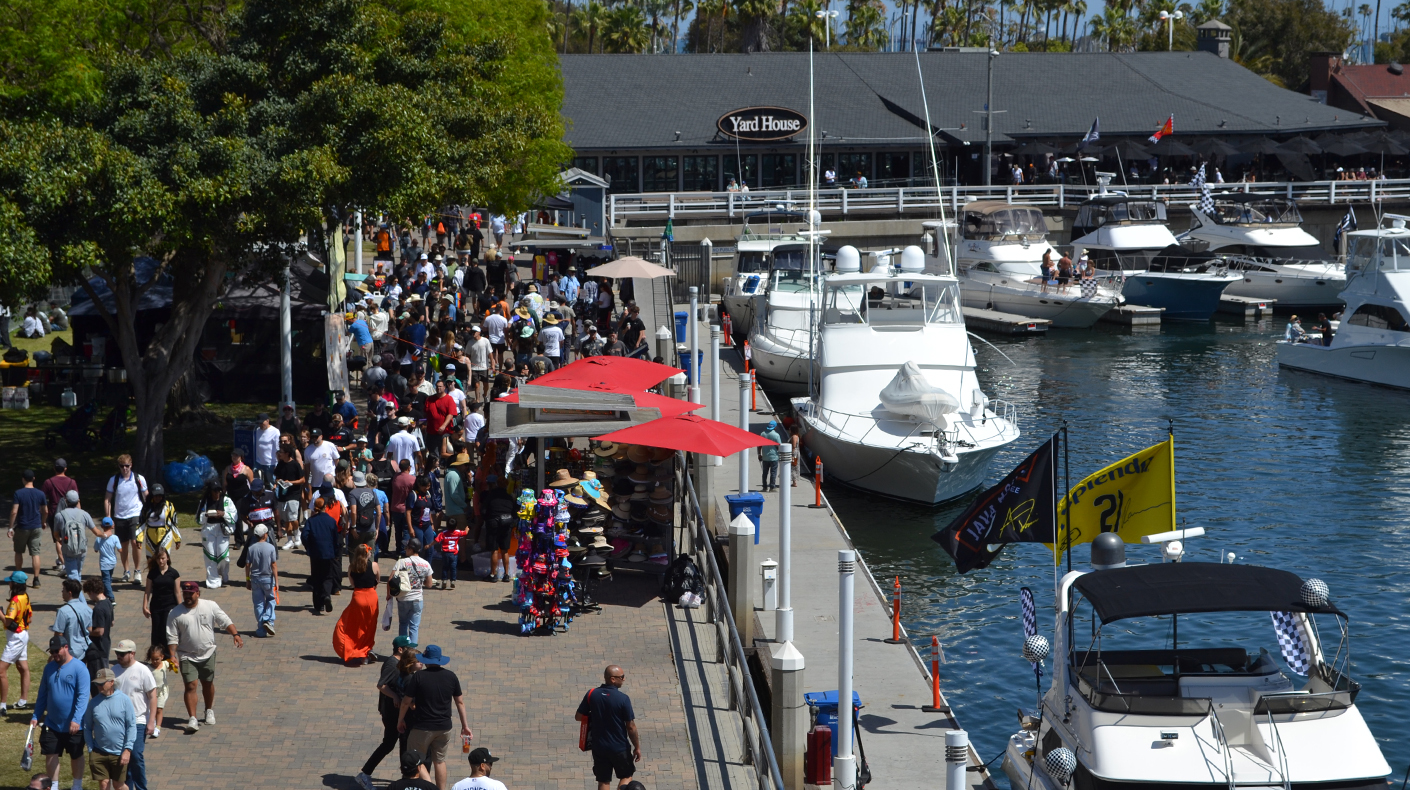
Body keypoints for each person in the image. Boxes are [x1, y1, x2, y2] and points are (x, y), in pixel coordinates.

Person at [165, 581, 243, 733]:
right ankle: (192, 718)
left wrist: (235, 634)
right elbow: (172, 637)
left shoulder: (210, 606)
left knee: (207, 683)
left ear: (198, 593)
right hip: (187, 655)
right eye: (185, 593)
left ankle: (208, 710)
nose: (187, 596)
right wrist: (173, 655)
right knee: (190, 685)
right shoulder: (175, 613)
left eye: (190, 593)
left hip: (208, 653)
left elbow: (224, 620)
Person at [398, 644, 472, 790]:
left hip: (422, 727)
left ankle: (430, 787)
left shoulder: (419, 676)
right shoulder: (451, 676)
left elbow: (406, 701)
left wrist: (400, 720)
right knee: (440, 761)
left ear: (425, 660)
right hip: (444, 727)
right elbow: (460, 702)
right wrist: (465, 726)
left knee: (416, 759)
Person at [356, 635, 420, 790]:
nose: (410, 650)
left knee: (401, 743)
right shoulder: (392, 664)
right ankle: (365, 774)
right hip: (391, 713)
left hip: (397, 713)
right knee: (389, 743)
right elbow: (381, 685)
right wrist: (395, 696)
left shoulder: (399, 664)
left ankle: (404, 776)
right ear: (400, 649)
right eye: (408, 647)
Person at [31, 633, 90, 790]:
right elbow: (42, 694)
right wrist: (36, 715)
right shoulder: (49, 668)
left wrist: (77, 719)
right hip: (52, 722)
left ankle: (77, 786)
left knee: (76, 754)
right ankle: (54, 786)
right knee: (51, 754)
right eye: (52, 652)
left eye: (57, 651)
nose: (55, 654)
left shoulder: (80, 668)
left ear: (66, 648)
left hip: (74, 724)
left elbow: (83, 697)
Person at [575, 664, 641, 790]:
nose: (624, 679)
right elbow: (631, 726)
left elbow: (578, 717)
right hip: (619, 747)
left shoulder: (592, 694)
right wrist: (637, 747)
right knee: (626, 776)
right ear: (612, 679)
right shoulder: (623, 699)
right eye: (621, 677)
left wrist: (596, 714)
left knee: (603, 781)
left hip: (599, 747)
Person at [111, 640, 157, 790]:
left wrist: (151, 721)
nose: (119, 656)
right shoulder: (114, 671)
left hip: (138, 720)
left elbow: (153, 696)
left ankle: (141, 787)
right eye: (117, 653)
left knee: (136, 755)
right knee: (123, 759)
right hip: (118, 723)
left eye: (122, 654)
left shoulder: (142, 670)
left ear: (132, 654)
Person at [82, 667, 136, 790]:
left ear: (112, 682)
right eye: (97, 683)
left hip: (119, 752)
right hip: (98, 751)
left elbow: (131, 725)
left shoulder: (124, 700)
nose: (99, 686)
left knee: (118, 785)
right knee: (104, 783)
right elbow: (87, 727)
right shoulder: (93, 703)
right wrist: (90, 748)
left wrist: (127, 749)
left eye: (102, 683)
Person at [334, 544, 381, 666]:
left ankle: (355, 650)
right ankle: (365, 652)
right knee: (369, 626)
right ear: (367, 553)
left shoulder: (351, 567)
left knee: (355, 625)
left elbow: (352, 583)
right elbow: (378, 580)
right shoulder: (374, 565)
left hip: (358, 597)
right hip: (371, 597)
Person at [105, 456, 148, 586]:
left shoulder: (139, 479)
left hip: (136, 514)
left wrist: (149, 513)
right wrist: (108, 517)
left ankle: (137, 571)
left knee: (135, 543)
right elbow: (107, 499)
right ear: (119, 467)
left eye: (127, 466)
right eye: (122, 466)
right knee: (123, 546)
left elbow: (146, 496)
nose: (125, 468)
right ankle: (126, 571)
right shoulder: (114, 480)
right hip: (119, 517)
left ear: (131, 465)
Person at [0, 570, 32, 714]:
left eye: (10, 581)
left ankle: (2, 705)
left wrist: (0, 614)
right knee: (22, 667)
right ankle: (23, 701)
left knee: (1, 671)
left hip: (16, 637)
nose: (9, 583)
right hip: (23, 633)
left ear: (15, 584)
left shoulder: (15, 600)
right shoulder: (25, 596)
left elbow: (8, 620)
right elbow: (29, 618)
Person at [391, 539, 433, 644]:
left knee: (403, 624)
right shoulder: (426, 564)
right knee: (414, 627)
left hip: (403, 598)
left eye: (406, 547)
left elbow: (390, 579)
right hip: (417, 599)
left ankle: (401, 650)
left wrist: (389, 595)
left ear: (411, 549)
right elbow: (429, 584)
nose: (405, 549)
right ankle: (412, 652)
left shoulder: (401, 562)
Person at [9, 469, 47, 585]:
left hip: (22, 527)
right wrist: (43, 522)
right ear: (34, 479)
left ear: (23, 479)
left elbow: (14, 511)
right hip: (36, 526)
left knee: (19, 551)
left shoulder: (18, 493)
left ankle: (19, 577)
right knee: (35, 553)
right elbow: (45, 511)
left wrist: (11, 527)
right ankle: (36, 579)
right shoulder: (40, 494)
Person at [303, 497, 340, 616]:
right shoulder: (331, 521)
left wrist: (308, 547)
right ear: (325, 507)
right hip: (328, 553)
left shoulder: (311, 521)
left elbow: (304, 536)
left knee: (316, 577)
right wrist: (336, 552)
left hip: (315, 553)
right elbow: (336, 539)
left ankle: (318, 604)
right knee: (328, 577)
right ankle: (326, 595)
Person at [196, 482, 235, 588]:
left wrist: (224, 514)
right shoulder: (204, 501)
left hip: (222, 529)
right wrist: (206, 515)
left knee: (223, 555)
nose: (217, 493)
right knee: (210, 556)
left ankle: (223, 572)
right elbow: (199, 519)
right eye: (214, 490)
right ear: (210, 491)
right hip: (208, 530)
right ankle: (213, 579)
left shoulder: (227, 500)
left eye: (218, 490)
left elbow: (234, 515)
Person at [40, 460, 78, 573]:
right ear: (65, 469)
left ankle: (65, 564)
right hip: (70, 513)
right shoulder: (72, 482)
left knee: (58, 539)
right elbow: (77, 499)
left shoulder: (48, 482)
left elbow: (42, 499)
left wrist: (43, 516)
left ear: (54, 468)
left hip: (54, 513)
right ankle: (68, 561)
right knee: (69, 537)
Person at [140, 548, 180, 650]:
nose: (161, 561)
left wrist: (181, 608)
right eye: (159, 559)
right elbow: (147, 591)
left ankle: (167, 654)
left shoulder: (174, 573)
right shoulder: (152, 573)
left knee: (166, 629)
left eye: (163, 558)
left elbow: (177, 592)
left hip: (170, 605)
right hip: (156, 606)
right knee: (156, 630)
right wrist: (144, 606)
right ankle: (156, 653)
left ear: (168, 558)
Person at [243, 524, 278, 638]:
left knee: (258, 603)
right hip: (268, 578)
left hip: (255, 579)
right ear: (265, 535)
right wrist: (277, 581)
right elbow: (273, 565)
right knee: (271, 599)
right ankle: (268, 620)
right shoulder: (270, 547)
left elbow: (247, 565)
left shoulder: (251, 548)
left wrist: (247, 579)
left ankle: (260, 629)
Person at [138, 484, 180, 571]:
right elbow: (141, 523)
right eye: (156, 495)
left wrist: (177, 539)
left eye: (160, 495)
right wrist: (139, 539)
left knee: (163, 558)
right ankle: (152, 581)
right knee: (151, 560)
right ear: (152, 495)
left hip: (165, 535)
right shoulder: (146, 507)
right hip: (150, 536)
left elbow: (173, 523)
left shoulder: (169, 506)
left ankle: (165, 579)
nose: (158, 498)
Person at [52, 490, 93, 582]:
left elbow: (56, 534)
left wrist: (60, 539)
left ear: (66, 501)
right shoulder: (84, 514)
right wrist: (105, 534)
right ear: (78, 501)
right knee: (78, 573)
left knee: (73, 576)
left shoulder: (59, 515)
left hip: (68, 548)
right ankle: (78, 595)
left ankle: (77, 594)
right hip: (82, 548)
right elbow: (96, 531)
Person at [51, 579, 91, 665]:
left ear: (69, 593)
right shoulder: (87, 609)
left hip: (70, 653)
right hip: (85, 650)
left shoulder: (63, 611)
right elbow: (90, 629)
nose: (62, 592)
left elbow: (58, 635)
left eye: (63, 590)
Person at [274, 446, 306, 550]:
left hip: (294, 494)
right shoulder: (281, 464)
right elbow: (277, 477)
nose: (280, 454)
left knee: (293, 517)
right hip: (283, 494)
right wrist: (278, 482)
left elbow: (302, 480)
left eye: (281, 452)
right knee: (286, 519)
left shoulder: (295, 465)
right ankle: (289, 540)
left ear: (287, 453)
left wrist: (291, 483)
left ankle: (297, 535)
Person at [82, 578, 113, 680]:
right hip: (106, 644)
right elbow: (111, 623)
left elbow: (99, 631)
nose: (89, 597)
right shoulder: (108, 602)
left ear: (92, 592)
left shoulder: (98, 608)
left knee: (98, 678)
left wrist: (86, 631)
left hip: (98, 648)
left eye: (88, 594)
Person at [143, 647, 169, 740]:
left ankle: (158, 727)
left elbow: (172, 664)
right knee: (151, 709)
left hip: (162, 691)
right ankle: (152, 723)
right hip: (152, 692)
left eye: (157, 659)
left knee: (159, 709)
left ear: (162, 657)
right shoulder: (148, 668)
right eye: (152, 659)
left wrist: (175, 665)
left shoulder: (165, 664)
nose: (154, 661)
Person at [94, 519, 119, 602]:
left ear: (101, 527)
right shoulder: (115, 537)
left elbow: (96, 549)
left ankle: (111, 597)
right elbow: (120, 549)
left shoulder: (98, 538)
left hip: (104, 563)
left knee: (106, 580)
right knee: (108, 579)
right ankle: (105, 594)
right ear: (112, 526)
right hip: (112, 562)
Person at [253, 413, 281, 484]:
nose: (260, 425)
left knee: (272, 483)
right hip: (258, 462)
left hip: (270, 463)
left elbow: (278, 448)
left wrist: (277, 463)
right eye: (259, 423)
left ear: (267, 421)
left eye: (262, 423)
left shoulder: (275, 431)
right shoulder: (258, 430)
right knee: (256, 482)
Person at [758, 420, 784, 491]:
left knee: (765, 473)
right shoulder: (776, 435)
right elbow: (780, 446)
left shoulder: (762, 434)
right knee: (773, 472)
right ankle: (772, 487)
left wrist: (759, 454)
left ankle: (764, 486)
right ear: (775, 427)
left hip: (765, 457)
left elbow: (759, 446)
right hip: (774, 457)